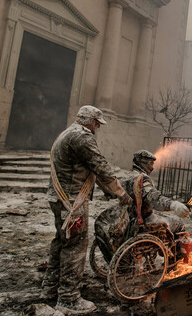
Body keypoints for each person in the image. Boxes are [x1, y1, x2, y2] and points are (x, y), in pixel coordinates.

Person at [42, 105, 132, 315]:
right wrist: (121, 193)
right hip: (72, 203)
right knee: (76, 246)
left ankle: (50, 287)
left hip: (59, 197)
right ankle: (69, 298)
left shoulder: (68, 133)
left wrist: (105, 189)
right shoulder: (83, 138)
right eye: (97, 124)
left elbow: (88, 168)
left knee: (62, 241)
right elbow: (99, 166)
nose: (97, 128)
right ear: (92, 121)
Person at [124, 149, 190, 234]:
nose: (152, 167)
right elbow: (154, 199)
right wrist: (173, 205)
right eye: (151, 164)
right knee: (178, 224)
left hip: (129, 219)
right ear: (143, 164)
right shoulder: (141, 178)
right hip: (144, 221)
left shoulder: (128, 176)